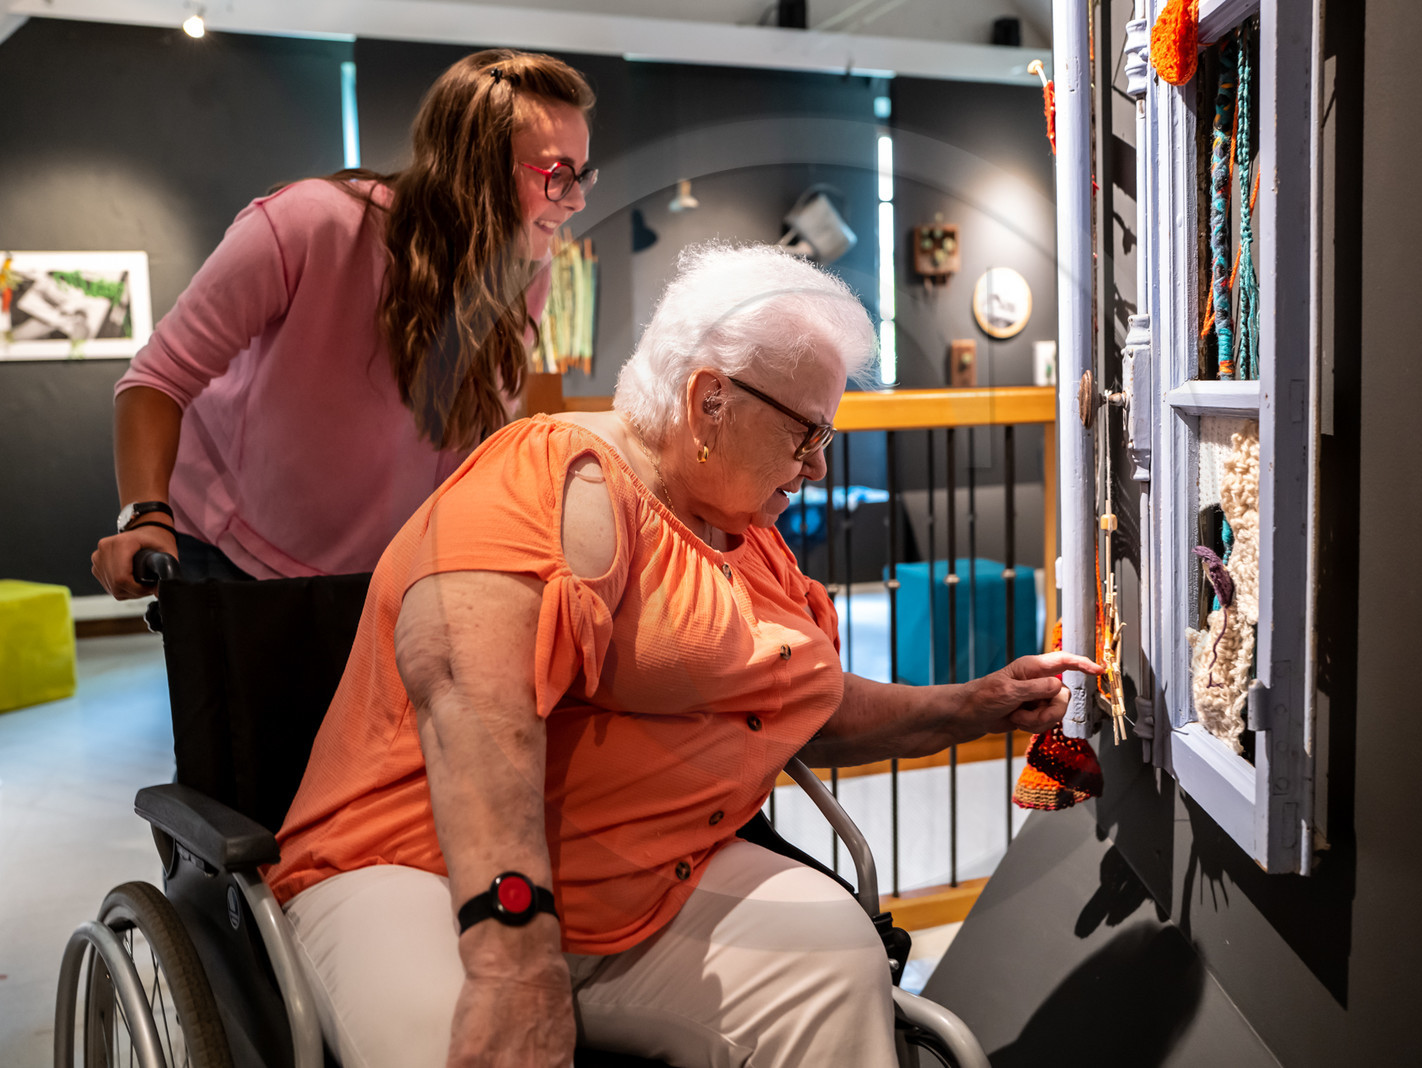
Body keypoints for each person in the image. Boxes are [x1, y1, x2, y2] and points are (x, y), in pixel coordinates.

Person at [264, 243, 1103, 1068]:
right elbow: (468, 698)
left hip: (642, 889)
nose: (816, 466)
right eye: (807, 433)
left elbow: (808, 710)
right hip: (430, 876)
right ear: (711, 403)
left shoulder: (749, 538)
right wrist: (512, 958)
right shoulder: (559, 475)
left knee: (837, 955)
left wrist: (972, 703)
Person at [90, 49, 597, 599]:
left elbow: (475, 441)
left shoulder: (524, 271)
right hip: (226, 548)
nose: (575, 201)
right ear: (475, 164)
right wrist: (144, 518)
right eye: (557, 175)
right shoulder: (310, 223)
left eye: (583, 175)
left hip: (375, 570)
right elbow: (155, 381)